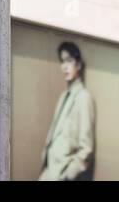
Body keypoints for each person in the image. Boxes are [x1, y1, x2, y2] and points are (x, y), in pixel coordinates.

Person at [38, 40, 95, 180]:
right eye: (62, 62)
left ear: (79, 65)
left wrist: (68, 175)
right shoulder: (64, 96)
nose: (64, 67)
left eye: (69, 61)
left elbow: (86, 148)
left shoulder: (83, 98)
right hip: (49, 171)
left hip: (63, 174)